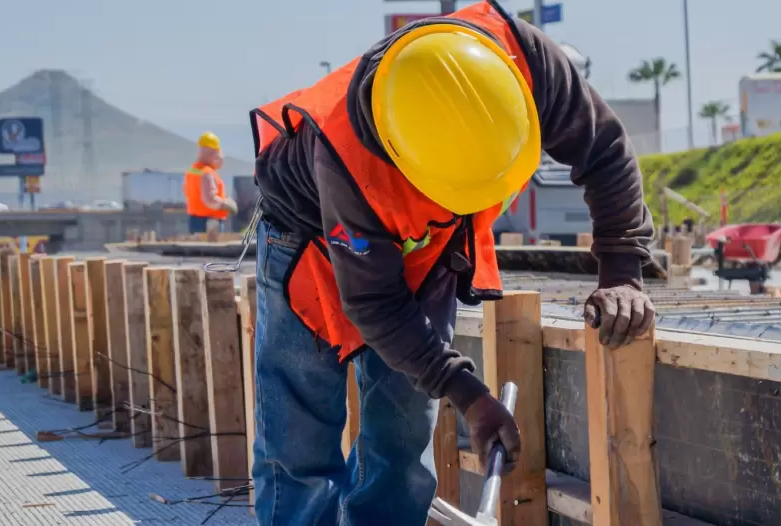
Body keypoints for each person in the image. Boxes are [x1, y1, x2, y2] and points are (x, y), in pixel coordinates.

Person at [247, 2, 655, 524]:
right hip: (307, 239)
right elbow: (375, 304)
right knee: (299, 442)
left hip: (430, 243)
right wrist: (468, 393)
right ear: (407, 161)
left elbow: (606, 150)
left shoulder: (527, 61)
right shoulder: (347, 160)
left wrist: (622, 272)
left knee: (401, 432)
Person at [183, 132, 237, 234]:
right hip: (209, 223)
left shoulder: (193, 171)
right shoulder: (207, 174)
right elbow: (210, 200)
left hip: (195, 220)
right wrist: (226, 204)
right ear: (212, 153)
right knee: (210, 250)